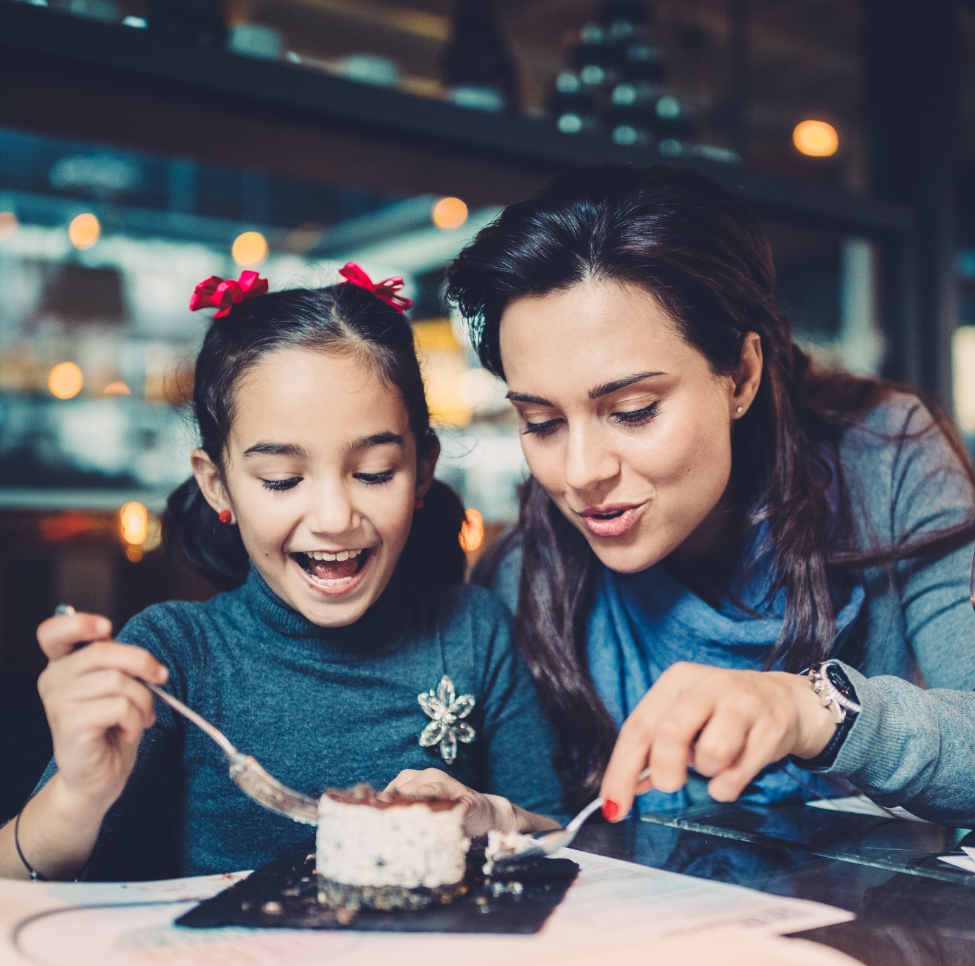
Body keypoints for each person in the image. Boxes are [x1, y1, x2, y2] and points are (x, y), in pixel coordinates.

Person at [445, 163, 975, 828]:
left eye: (632, 411)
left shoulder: (886, 457)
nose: (578, 473)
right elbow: (561, 831)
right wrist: (493, 820)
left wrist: (814, 710)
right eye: (541, 423)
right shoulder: (527, 575)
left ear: (740, 375)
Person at [0, 265, 561, 883]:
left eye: (374, 472)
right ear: (219, 484)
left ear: (423, 469)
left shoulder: (474, 631)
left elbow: (564, 843)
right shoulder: (175, 657)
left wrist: (494, 815)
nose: (332, 518)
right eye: (281, 481)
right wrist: (79, 796)